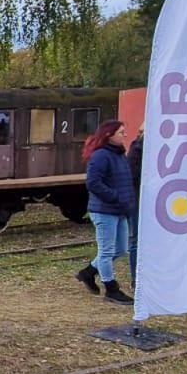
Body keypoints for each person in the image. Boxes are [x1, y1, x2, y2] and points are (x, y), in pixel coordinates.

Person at [76, 120, 134, 305]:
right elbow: (93, 182)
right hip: (105, 211)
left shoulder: (119, 155)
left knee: (121, 249)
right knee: (107, 251)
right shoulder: (101, 155)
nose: (124, 135)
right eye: (121, 132)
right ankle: (111, 288)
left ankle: (88, 272)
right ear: (109, 135)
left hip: (119, 210)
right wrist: (114, 196)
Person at [126, 124, 144, 285]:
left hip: (151, 200)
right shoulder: (136, 148)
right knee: (135, 239)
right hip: (137, 199)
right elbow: (132, 175)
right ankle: (135, 279)